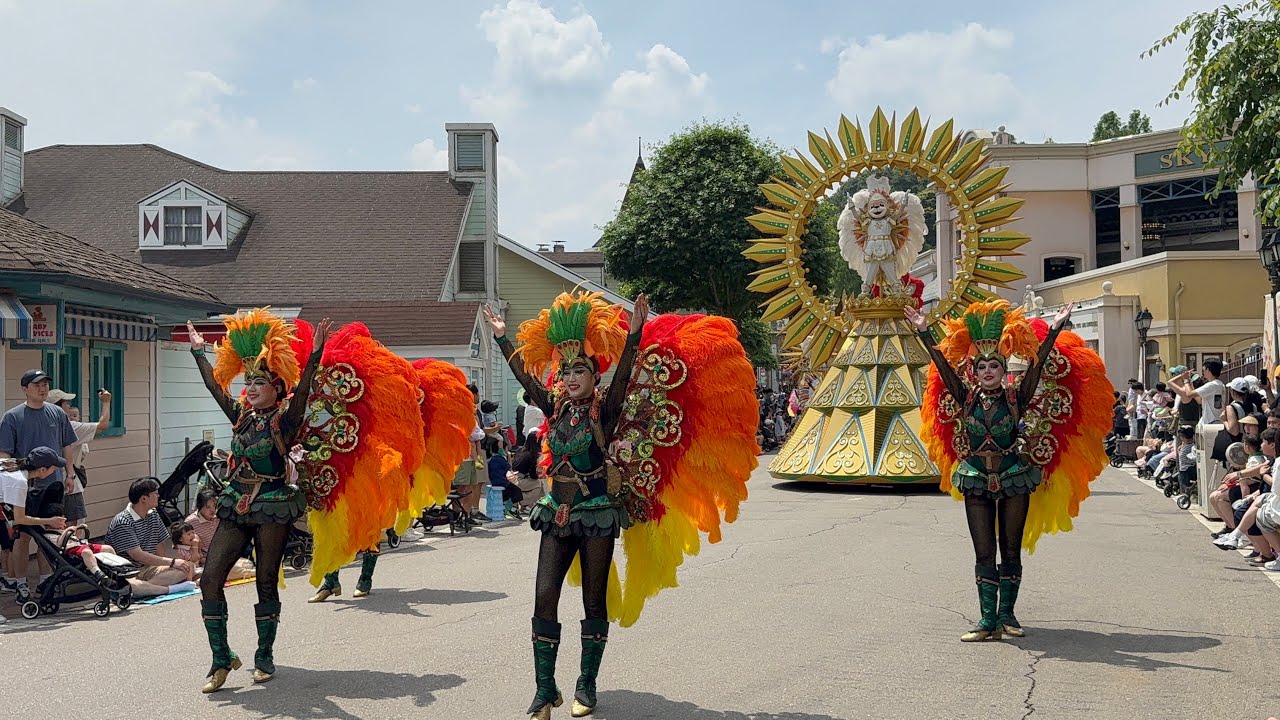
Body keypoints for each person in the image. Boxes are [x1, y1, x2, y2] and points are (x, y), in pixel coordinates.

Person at [485, 291, 759, 719]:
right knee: (543, 599)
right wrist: (503, 339)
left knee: (594, 602)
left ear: (594, 377)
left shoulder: (605, 411)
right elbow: (525, 379)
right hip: (557, 514)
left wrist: (634, 332)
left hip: (596, 514)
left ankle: (586, 685)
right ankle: (544, 689)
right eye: (566, 371)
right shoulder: (553, 408)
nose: (571, 377)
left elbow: (628, 371)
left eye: (580, 370)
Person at [910, 298, 1110, 642]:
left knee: (1011, 549)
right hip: (975, 478)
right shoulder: (966, 397)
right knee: (983, 551)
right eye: (982, 366)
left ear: (1004, 371)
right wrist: (925, 331)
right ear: (974, 372)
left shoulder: (1018, 396)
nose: (988, 371)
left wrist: (1058, 326)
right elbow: (942, 366)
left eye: (994, 366)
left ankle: (1008, 615)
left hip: (1014, 477)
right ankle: (987, 620)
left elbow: (1039, 362)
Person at [186, 311, 331, 693]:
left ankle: (264, 655)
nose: (249, 388)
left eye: (259, 383)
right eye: (248, 382)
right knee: (210, 580)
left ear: (277, 389)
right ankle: (221, 658)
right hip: (236, 503)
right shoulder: (240, 416)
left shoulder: (285, 420)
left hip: (273, 505)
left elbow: (303, 393)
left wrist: (315, 354)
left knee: (265, 582)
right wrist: (199, 352)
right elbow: (215, 388)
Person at [0, 369, 77, 590]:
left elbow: (67, 445)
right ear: (25, 389)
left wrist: (70, 474)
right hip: (25, 485)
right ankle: (20, 582)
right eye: (37, 385)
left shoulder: (57, 413)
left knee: (50, 534)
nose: (42, 388)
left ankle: (46, 579)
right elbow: (4, 454)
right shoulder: (12, 417)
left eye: (45, 384)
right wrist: (10, 480)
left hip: (53, 483)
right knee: (23, 536)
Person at [0, 447, 70, 612]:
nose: (56, 469)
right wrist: (50, 521)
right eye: (54, 466)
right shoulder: (19, 482)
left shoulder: (15, 464)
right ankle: (20, 586)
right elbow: (20, 518)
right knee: (20, 535)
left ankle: (27, 583)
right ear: (42, 470)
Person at [104, 478, 198, 598]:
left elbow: (159, 545)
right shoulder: (123, 521)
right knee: (133, 585)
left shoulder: (153, 514)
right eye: (155, 494)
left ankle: (146, 589)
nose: (158, 496)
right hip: (127, 572)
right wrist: (172, 562)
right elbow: (137, 555)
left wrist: (167, 566)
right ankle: (161, 589)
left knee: (187, 566)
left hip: (148, 568)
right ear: (144, 499)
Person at [47, 388, 112, 528]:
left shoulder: (42, 426)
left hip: (46, 484)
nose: (69, 407)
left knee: (49, 531)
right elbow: (103, 425)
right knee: (73, 527)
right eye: (66, 404)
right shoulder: (70, 426)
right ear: (59, 407)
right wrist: (106, 402)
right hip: (69, 485)